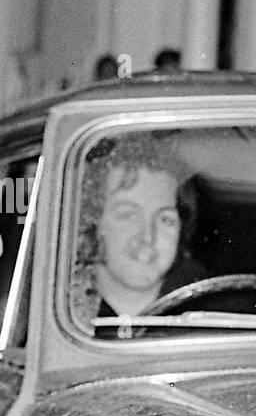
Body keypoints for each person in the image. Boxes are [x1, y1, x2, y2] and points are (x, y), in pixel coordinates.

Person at [71, 135, 205, 330]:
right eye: (127, 215)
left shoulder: (211, 316)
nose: (147, 236)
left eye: (165, 219)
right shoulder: (56, 315)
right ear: (93, 222)